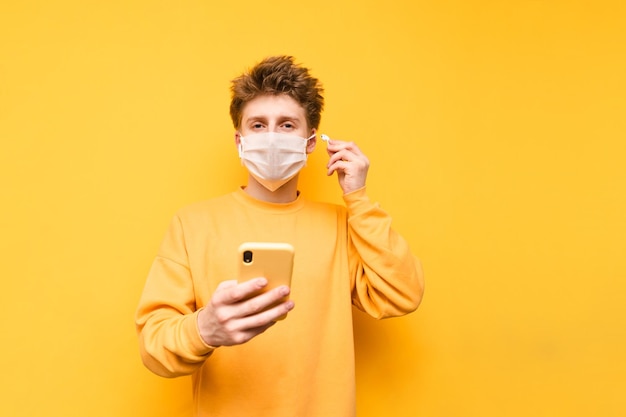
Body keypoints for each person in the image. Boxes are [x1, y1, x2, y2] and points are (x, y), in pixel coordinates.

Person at [135, 55, 425, 417]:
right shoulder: (192, 224)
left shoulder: (341, 225)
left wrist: (359, 199)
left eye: (287, 125)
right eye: (259, 125)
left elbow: (403, 294)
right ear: (240, 141)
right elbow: (154, 348)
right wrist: (205, 328)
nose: (271, 136)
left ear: (309, 143)